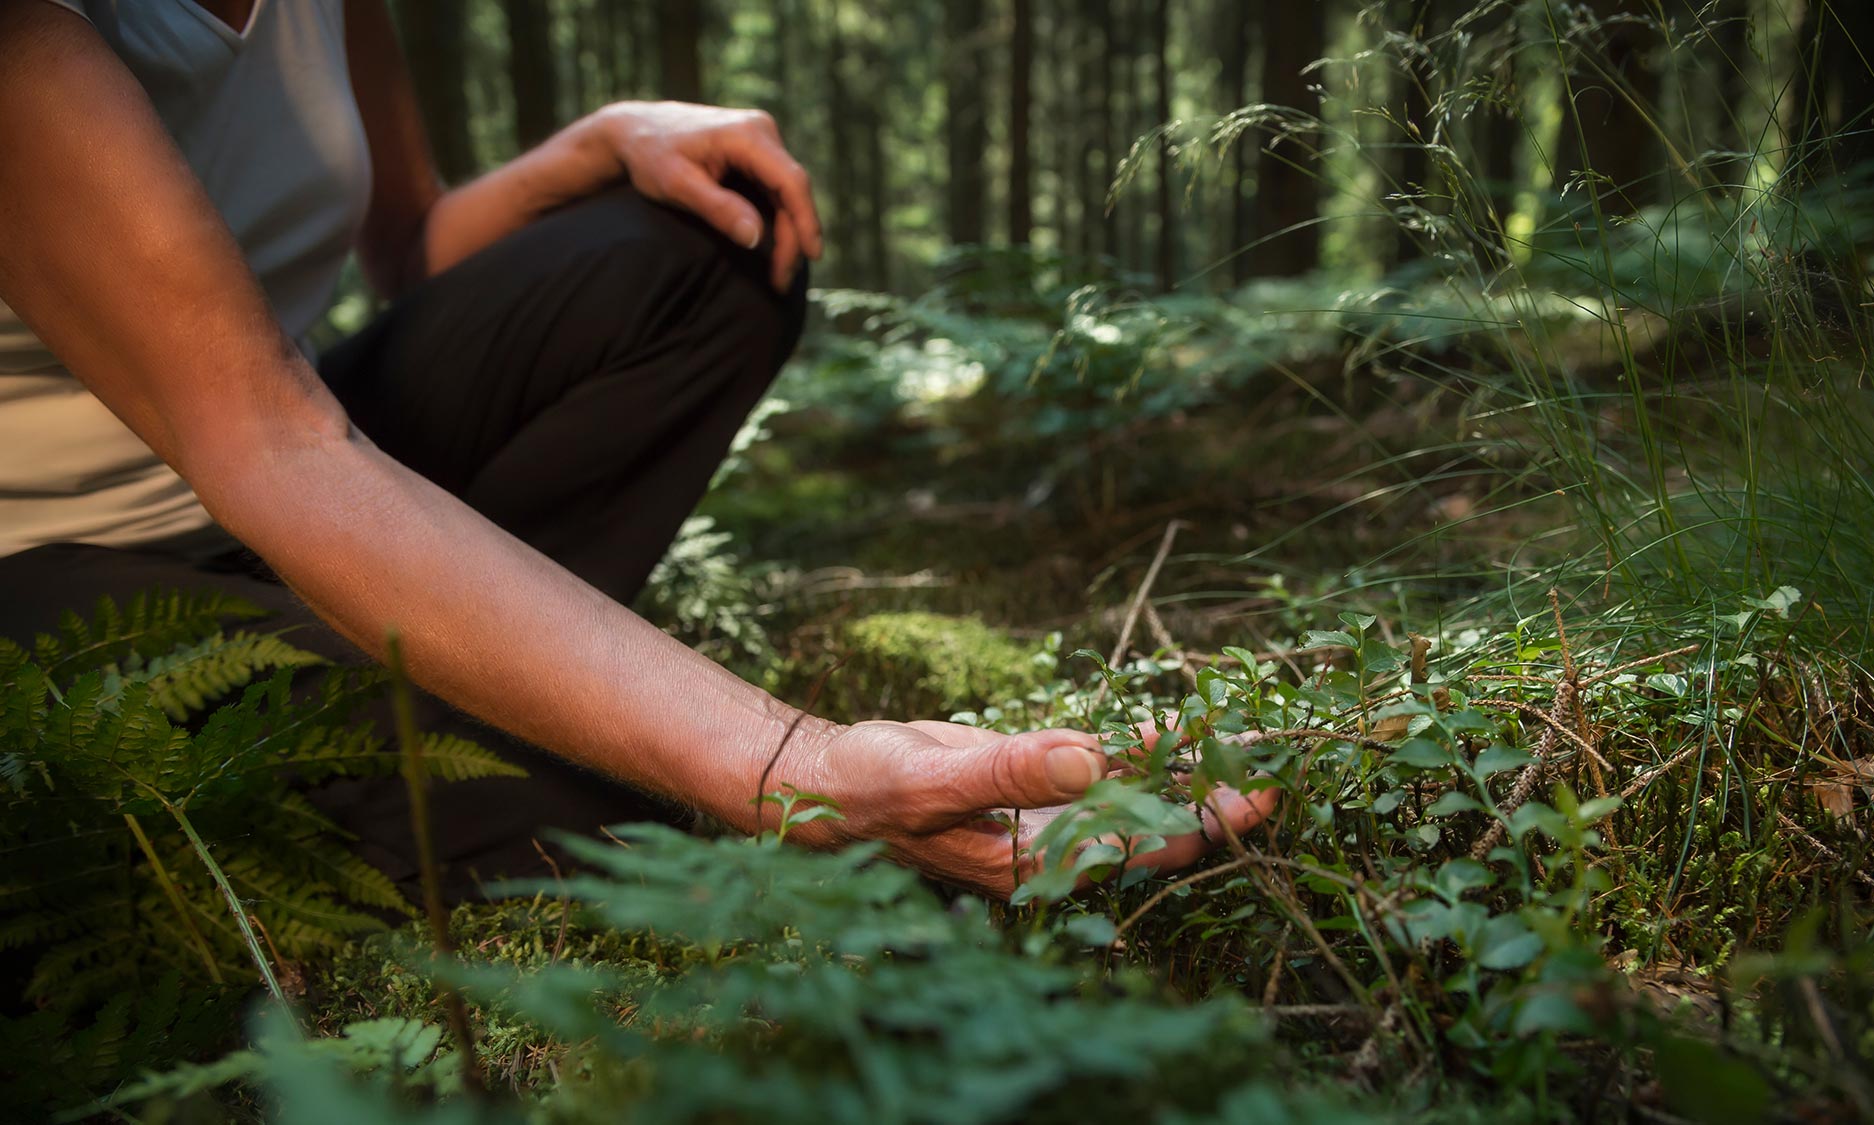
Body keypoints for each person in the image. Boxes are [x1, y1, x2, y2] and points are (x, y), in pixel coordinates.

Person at [0, 0, 1274, 902]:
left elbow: (411, 258)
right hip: (73, 555)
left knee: (711, 242)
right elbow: (273, 443)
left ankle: (464, 655)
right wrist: (796, 766)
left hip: (307, 448)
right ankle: (475, 705)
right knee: (609, 810)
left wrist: (601, 143)